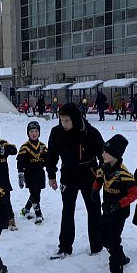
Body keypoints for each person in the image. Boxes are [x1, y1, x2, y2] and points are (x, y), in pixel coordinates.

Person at [46, 103, 104, 259]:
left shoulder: (90, 132)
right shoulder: (57, 132)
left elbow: (103, 155)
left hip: (89, 174)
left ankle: (97, 246)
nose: (64, 124)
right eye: (62, 120)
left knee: (94, 211)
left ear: (76, 119)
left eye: (67, 120)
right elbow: (51, 155)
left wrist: (102, 174)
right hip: (68, 175)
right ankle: (65, 247)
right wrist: (51, 174)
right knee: (67, 211)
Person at [93, 134, 137, 273]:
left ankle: (117, 272)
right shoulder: (105, 168)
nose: (103, 154)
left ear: (115, 155)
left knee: (112, 239)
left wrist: (118, 204)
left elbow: (134, 194)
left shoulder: (124, 175)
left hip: (119, 212)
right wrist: (95, 190)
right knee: (100, 234)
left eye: (106, 152)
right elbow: (99, 178)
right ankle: (121, 257)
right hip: (107, 209)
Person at [17, 121, 47, 225]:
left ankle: (25, 209)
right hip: (29, 174)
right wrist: (20, 175)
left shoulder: (43, 146)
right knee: (35, 195)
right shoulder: (24, 147)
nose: (34, 133)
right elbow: (20, 162)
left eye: (36, 131)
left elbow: (48, 159)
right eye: (31, 131)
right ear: (28, 133)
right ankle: (38, 214)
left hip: (40, 173)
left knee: (36, 193)